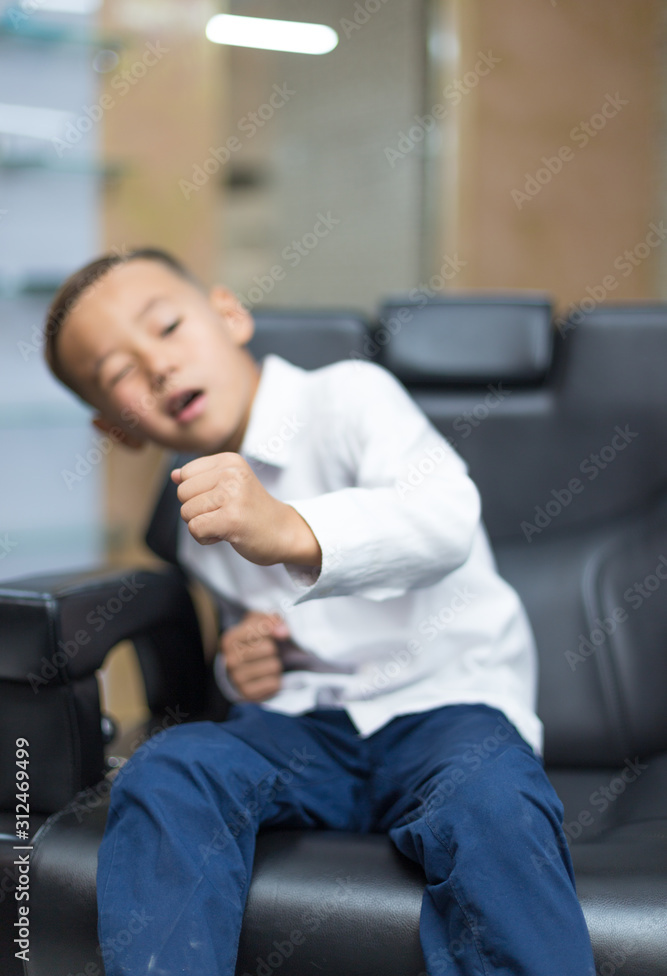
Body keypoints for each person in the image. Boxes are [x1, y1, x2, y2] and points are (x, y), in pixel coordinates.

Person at [43, 248, 596, 976]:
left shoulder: (349, 397)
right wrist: (242, 666)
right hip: (307, 733)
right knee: (170, 767)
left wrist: (289, 529)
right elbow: (260, 633)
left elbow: (442, 519)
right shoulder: (188, 524)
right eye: (119, 375)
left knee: (493, 803)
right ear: (117, 429)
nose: (158, 367)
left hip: (447, 711)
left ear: (230, 314)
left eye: (169, 327)